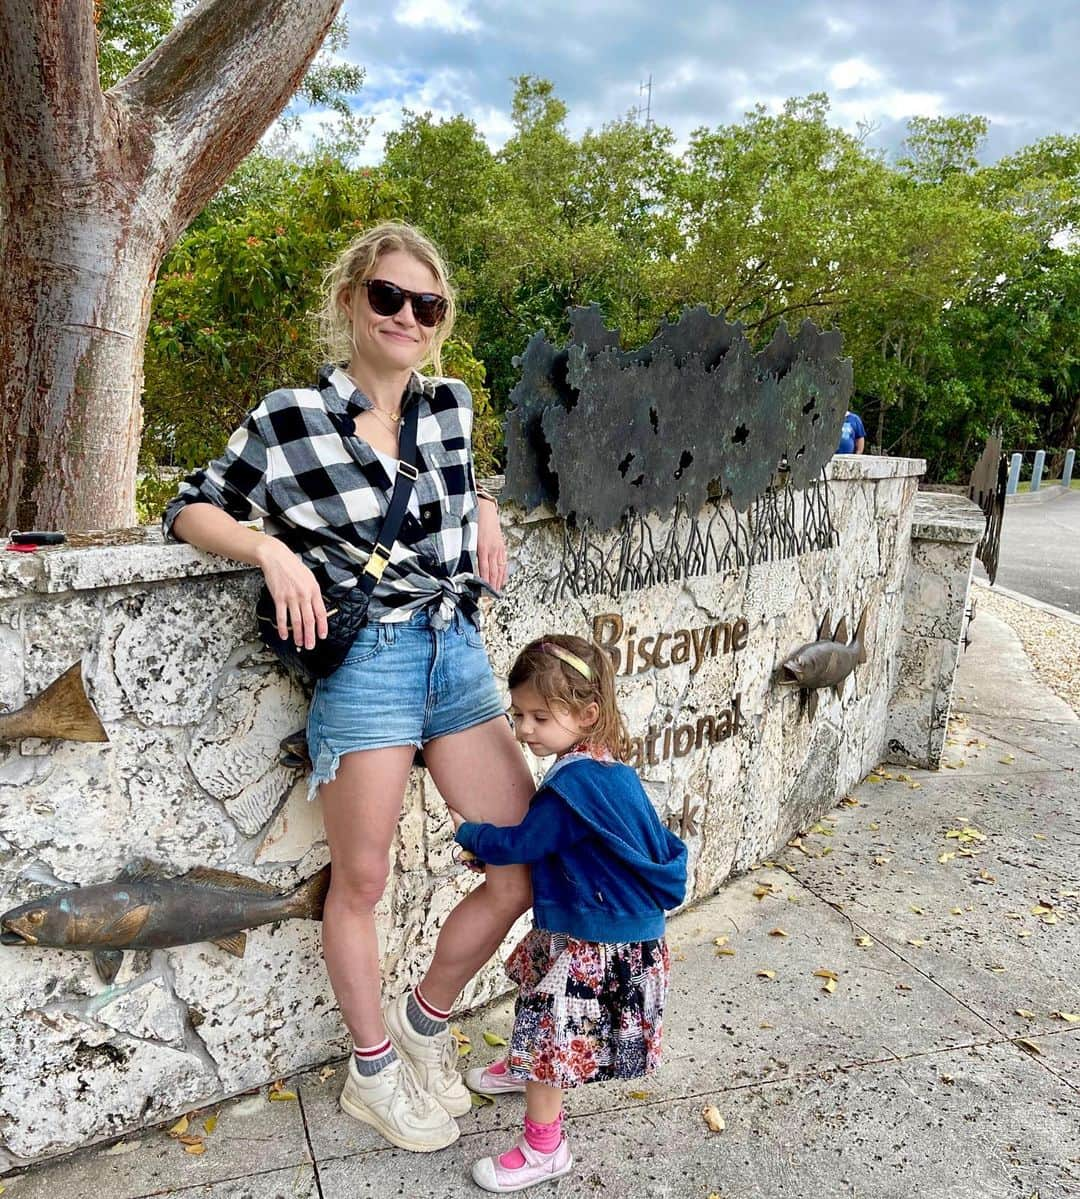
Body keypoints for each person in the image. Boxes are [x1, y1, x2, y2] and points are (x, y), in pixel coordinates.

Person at [163, 222, 536, 1153]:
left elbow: (460, 482)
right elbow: (188, 503)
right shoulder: (291, 416)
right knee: (360, 880)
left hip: (454, 649)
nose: (407, 316)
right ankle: (373, 1070)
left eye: (427, 304)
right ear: (352, 301)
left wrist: (484, 504)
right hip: (366, 658)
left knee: (523, 860)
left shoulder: (448, 407)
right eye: (388, 297)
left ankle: (423, 1020)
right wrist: (267, 548)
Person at [449, 635, 688, 1193]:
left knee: (552, 1040)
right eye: (518, 715)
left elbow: (526, 843)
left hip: (597, 945)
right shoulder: (604, 769)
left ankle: (544, 1147)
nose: (524, 730)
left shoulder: (573, 785)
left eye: (538, 716)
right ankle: (523, 1065)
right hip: (600, 931)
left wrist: (469, 831)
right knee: (537, 1013)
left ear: (587, 713)